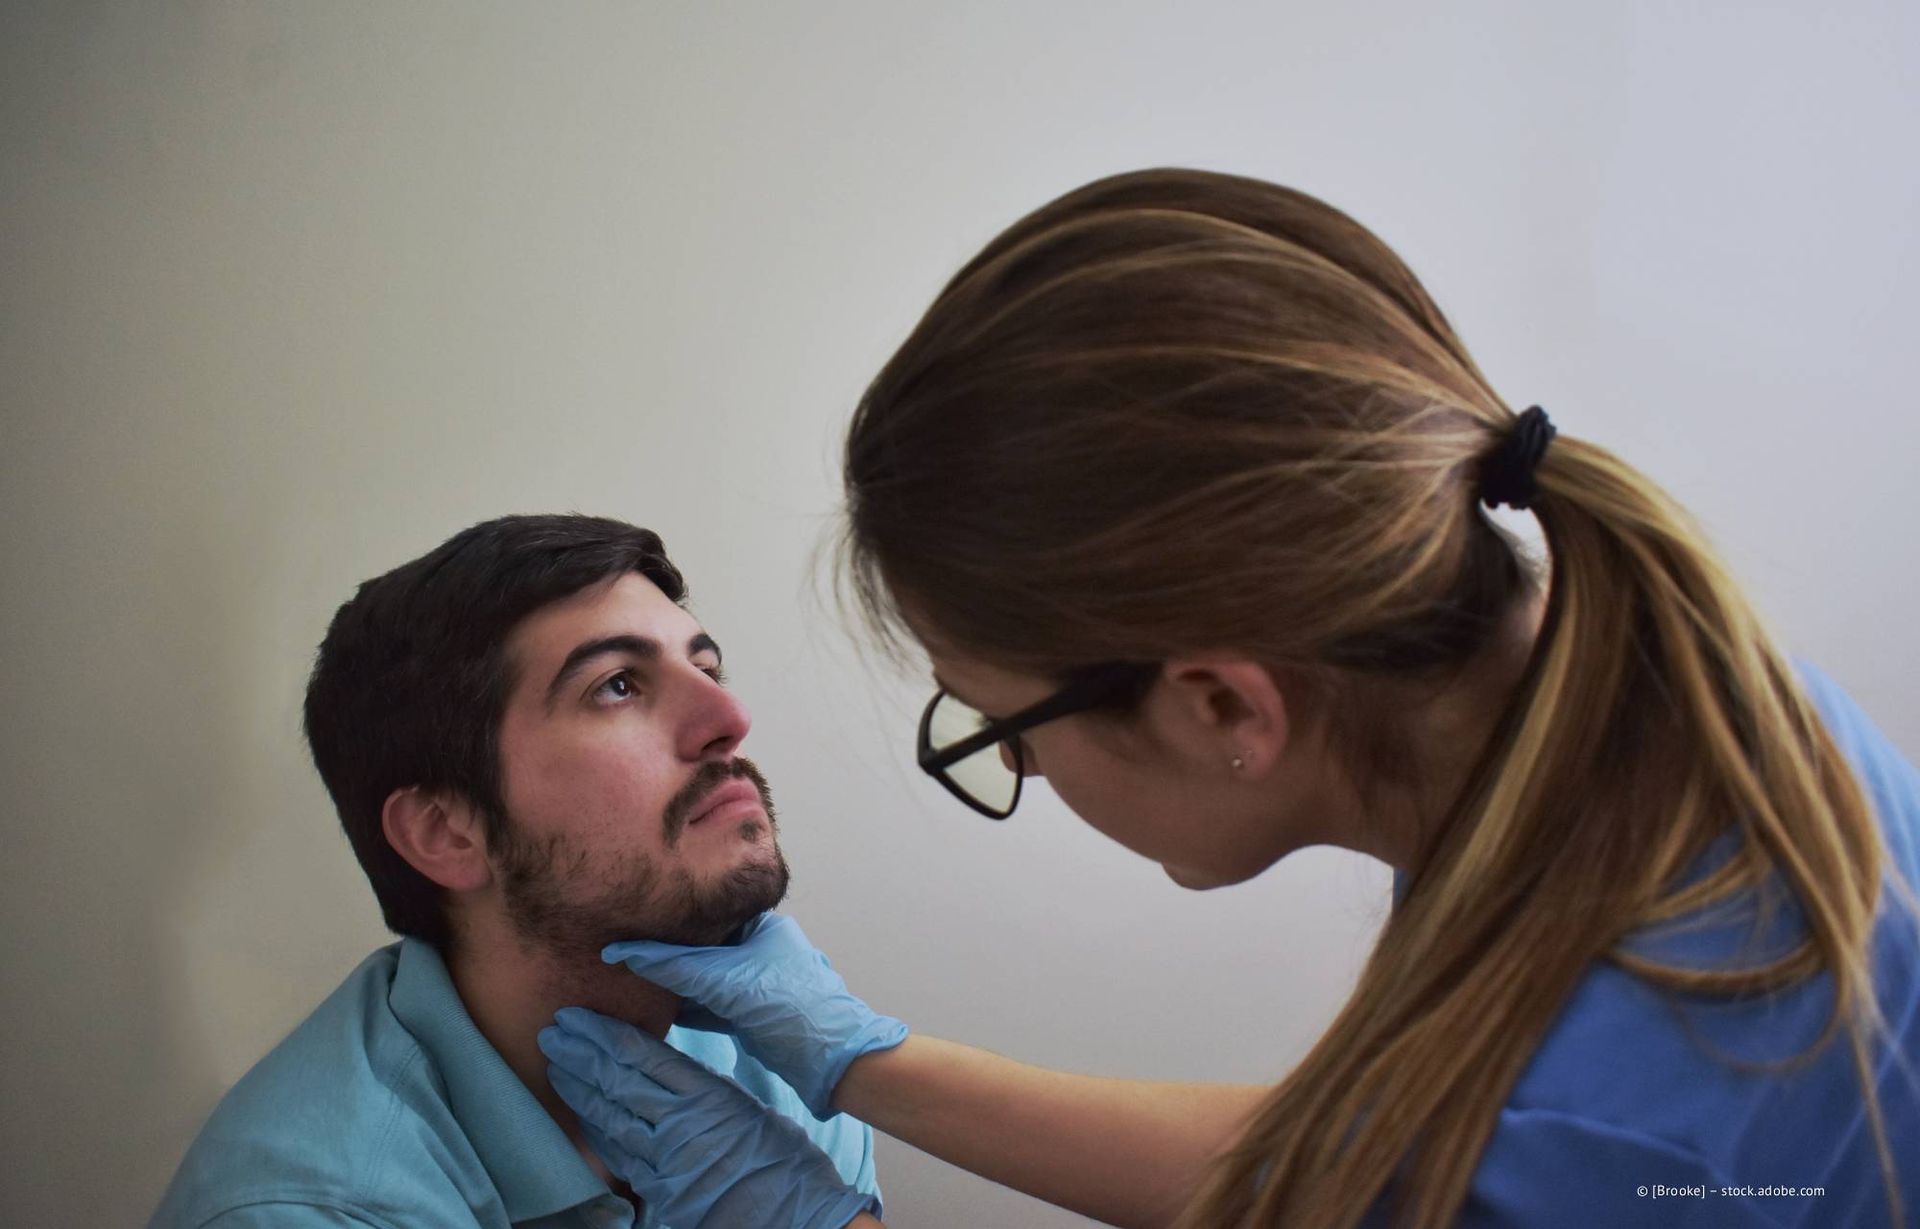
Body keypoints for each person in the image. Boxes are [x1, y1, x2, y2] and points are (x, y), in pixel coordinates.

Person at [540, 170, 1920, 1228]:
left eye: (1001, 727)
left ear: (1220, 708)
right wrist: (864, 1064)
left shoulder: (1583, 1141)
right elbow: (1375, 1153)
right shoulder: (1669, 710)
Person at [152, 514, 883, 1229]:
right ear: (446, 833)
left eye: (706, 666)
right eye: (618, 684)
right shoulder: (308, 1209)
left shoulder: (777, 1068)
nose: (729, 714)